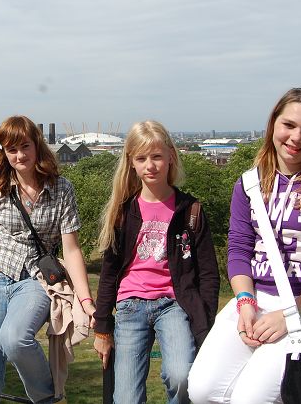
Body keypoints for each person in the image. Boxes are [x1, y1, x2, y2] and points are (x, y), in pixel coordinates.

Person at [188, 88, 301, 403]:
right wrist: (244, 301)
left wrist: (290, 314)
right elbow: (239, 249)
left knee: (250, 398)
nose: (296, 137)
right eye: (289, 125)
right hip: (256, 300)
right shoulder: (249, 184)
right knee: (202, 390)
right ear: (273, 124)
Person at [0, 115, 96, 404]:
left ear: (37, 146)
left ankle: (48, 398)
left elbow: (71, 249)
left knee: (14, 339)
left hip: (36, 279)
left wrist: (86, 300)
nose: (20, 155)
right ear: (3, 152)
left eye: (25, 146)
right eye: (12, 149)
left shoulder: (61, 189)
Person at [92, 121, 219, 404]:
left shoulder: (190, 210)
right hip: (130, 304)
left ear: (171, 156)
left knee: (181, 376)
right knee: (126, 397)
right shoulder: (123, 211)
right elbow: (109, 272)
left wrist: (205, 321)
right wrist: (102, 327)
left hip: (173, 304)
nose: (150, 165)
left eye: (157, 156)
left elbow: (209, 273)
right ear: (131, 163)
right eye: (141, 158)